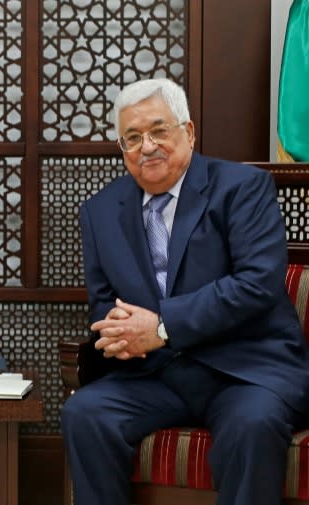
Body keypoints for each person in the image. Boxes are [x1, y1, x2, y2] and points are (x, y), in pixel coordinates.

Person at [60, 78, 309, 505]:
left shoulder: (242, 188)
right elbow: (103, 301)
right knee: (86, 413)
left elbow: (257, 285)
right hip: (156, 375)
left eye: (159, 130)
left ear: (188, 132)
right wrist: (119, 336)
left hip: (244, 370)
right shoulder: (100, 211)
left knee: (252, 426)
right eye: (132, 138)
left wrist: (161, 327)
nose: (147, 146)